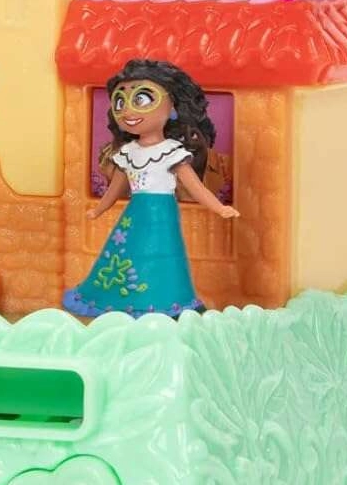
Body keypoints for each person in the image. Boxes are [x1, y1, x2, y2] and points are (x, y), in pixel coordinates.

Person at [63, 60, 238, 318]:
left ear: (172, 106)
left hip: (162, 216)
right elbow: (116, 188)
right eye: (120, 102)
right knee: (128, 253)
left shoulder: (171, 152)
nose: (127, 110)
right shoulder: (128, 152)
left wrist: (219, 208)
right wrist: (98, 210)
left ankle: (168, 303)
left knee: (163, 256)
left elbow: (196, 187)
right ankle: (125, 302)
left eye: (142, 99)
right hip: (134, 216)